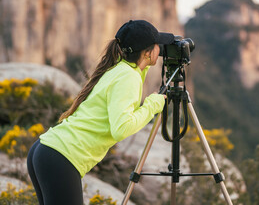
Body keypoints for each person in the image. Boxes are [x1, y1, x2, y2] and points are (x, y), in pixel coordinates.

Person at [27, 20, 174, 205]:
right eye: (157, 45)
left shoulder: (121, 69)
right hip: (61, 157)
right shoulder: (128, 77)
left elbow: (132, 78)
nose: (160, 49)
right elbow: (121, 129)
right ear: (146, 52)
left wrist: (144, 69)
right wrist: (152, 105)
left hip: (46, 150)